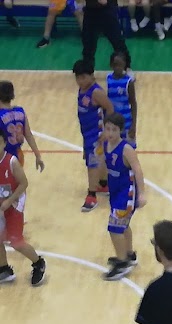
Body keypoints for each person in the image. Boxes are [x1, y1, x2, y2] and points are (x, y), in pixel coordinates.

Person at [102, 113, 146, 281]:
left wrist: (142, 193)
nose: (110, 133)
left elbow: (138, 170)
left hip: (126, 194)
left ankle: (122, 263)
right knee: (123, 225)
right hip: (115, 191)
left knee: (114, 228)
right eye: (107, 129)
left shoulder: (126, 149)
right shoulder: (106, 144)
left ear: (120, 130)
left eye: (114, 130)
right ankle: (129, 254)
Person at [0, 128, 47, 286]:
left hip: (14, 203)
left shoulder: (11, 161)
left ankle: (38, 263)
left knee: (16, 242)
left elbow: (24, 183)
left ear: (4, 143)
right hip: (2, 203)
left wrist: (9, 200)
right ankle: (4, 269)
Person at [73, 59, 114, 212]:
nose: (80, 81)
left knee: (92, 163)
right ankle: (103, 184)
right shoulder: (82, 89)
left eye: (83, 77)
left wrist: (107, 131)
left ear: (92, 75)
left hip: (96, 134)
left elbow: (110, 108)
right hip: (87, 132)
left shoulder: (96, 92)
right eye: (78, 78)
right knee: (98, 159)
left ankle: (91, 196)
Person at [0, 81, 45, 171]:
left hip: (3, 157)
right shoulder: (20, 111)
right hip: (18, 156)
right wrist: (37, 155)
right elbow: (28, 135)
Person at [81, 0, 133, 76]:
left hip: (108, 9)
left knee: (118, 42)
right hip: (91, 10)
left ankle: (127, 68)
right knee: (88, 44)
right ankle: (88, 71)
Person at [107, 52, 138, 148]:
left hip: (126, 123)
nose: (118, 68)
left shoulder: (129, 82)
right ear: (111, 65)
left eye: (120, 65)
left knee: (128, 151)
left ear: (124, 65)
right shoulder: (108, 79)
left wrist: (133, 126)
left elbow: (133, 103)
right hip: (112, 124)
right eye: (115, 65)